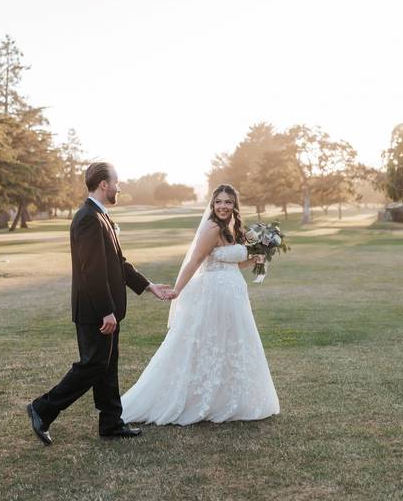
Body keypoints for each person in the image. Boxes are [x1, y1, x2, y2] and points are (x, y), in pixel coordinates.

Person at [26, 162, 173, 444]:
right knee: (93, 365)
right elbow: (91, 271)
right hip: (95, 311)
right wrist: (106, 310)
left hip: (105, 309)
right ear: (104, 184)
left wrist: (148, 286)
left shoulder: (101, 217)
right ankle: (42, 409)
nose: (119, 187)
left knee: (107, 365)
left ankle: (111, 422)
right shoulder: (88, 219)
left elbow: (118, 263)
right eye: (116, 182)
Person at [120, 184, 279, 425]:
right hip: (213, 295)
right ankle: (195, 399)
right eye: (218, 202)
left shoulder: (233, 229)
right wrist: (177, 289)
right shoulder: (212, 227)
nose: (223, 206)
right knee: (204, 344)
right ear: (213, 205)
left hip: (234, 296)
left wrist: (257, 257)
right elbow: (195, 261)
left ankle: (226, 399)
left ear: (235, 204)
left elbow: (233, 263)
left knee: (230, 343)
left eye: (228, 202)